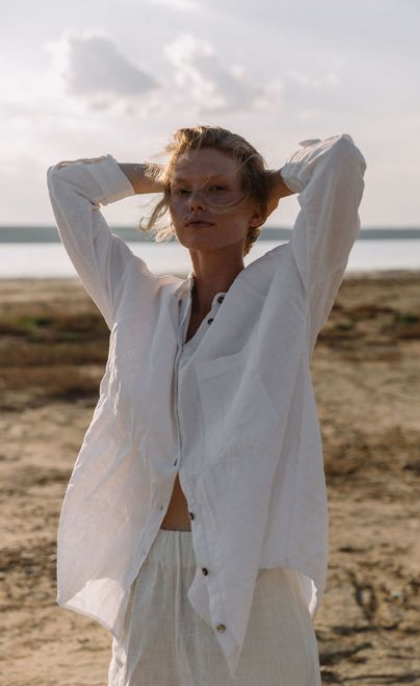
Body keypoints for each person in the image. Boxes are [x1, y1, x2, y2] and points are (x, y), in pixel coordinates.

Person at [46, 124, 366, 685]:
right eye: (184, 192)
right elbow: (66, 186)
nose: (196, 203)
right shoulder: (137, 299)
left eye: (218, 190)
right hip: (150, 566)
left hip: (253, 572)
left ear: (256, 210)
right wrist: (170, 177)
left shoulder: (290, 291)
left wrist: (268, 183)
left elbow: (338, 162)